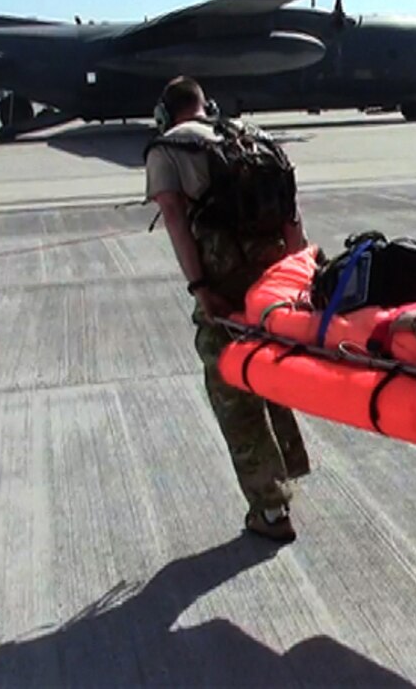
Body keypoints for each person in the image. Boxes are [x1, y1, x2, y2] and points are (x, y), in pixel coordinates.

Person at [144, 75, 312, 543]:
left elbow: (176, 220)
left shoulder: (169, 149)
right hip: (275, 274)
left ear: (165, 112)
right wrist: (298, 278)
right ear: (206, 104)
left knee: (230, 388)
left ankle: (271, 510)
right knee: (269, 368)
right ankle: (288, 469)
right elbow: (291, 211)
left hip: (224, 278)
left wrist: (201, 288)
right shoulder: (250, 135)